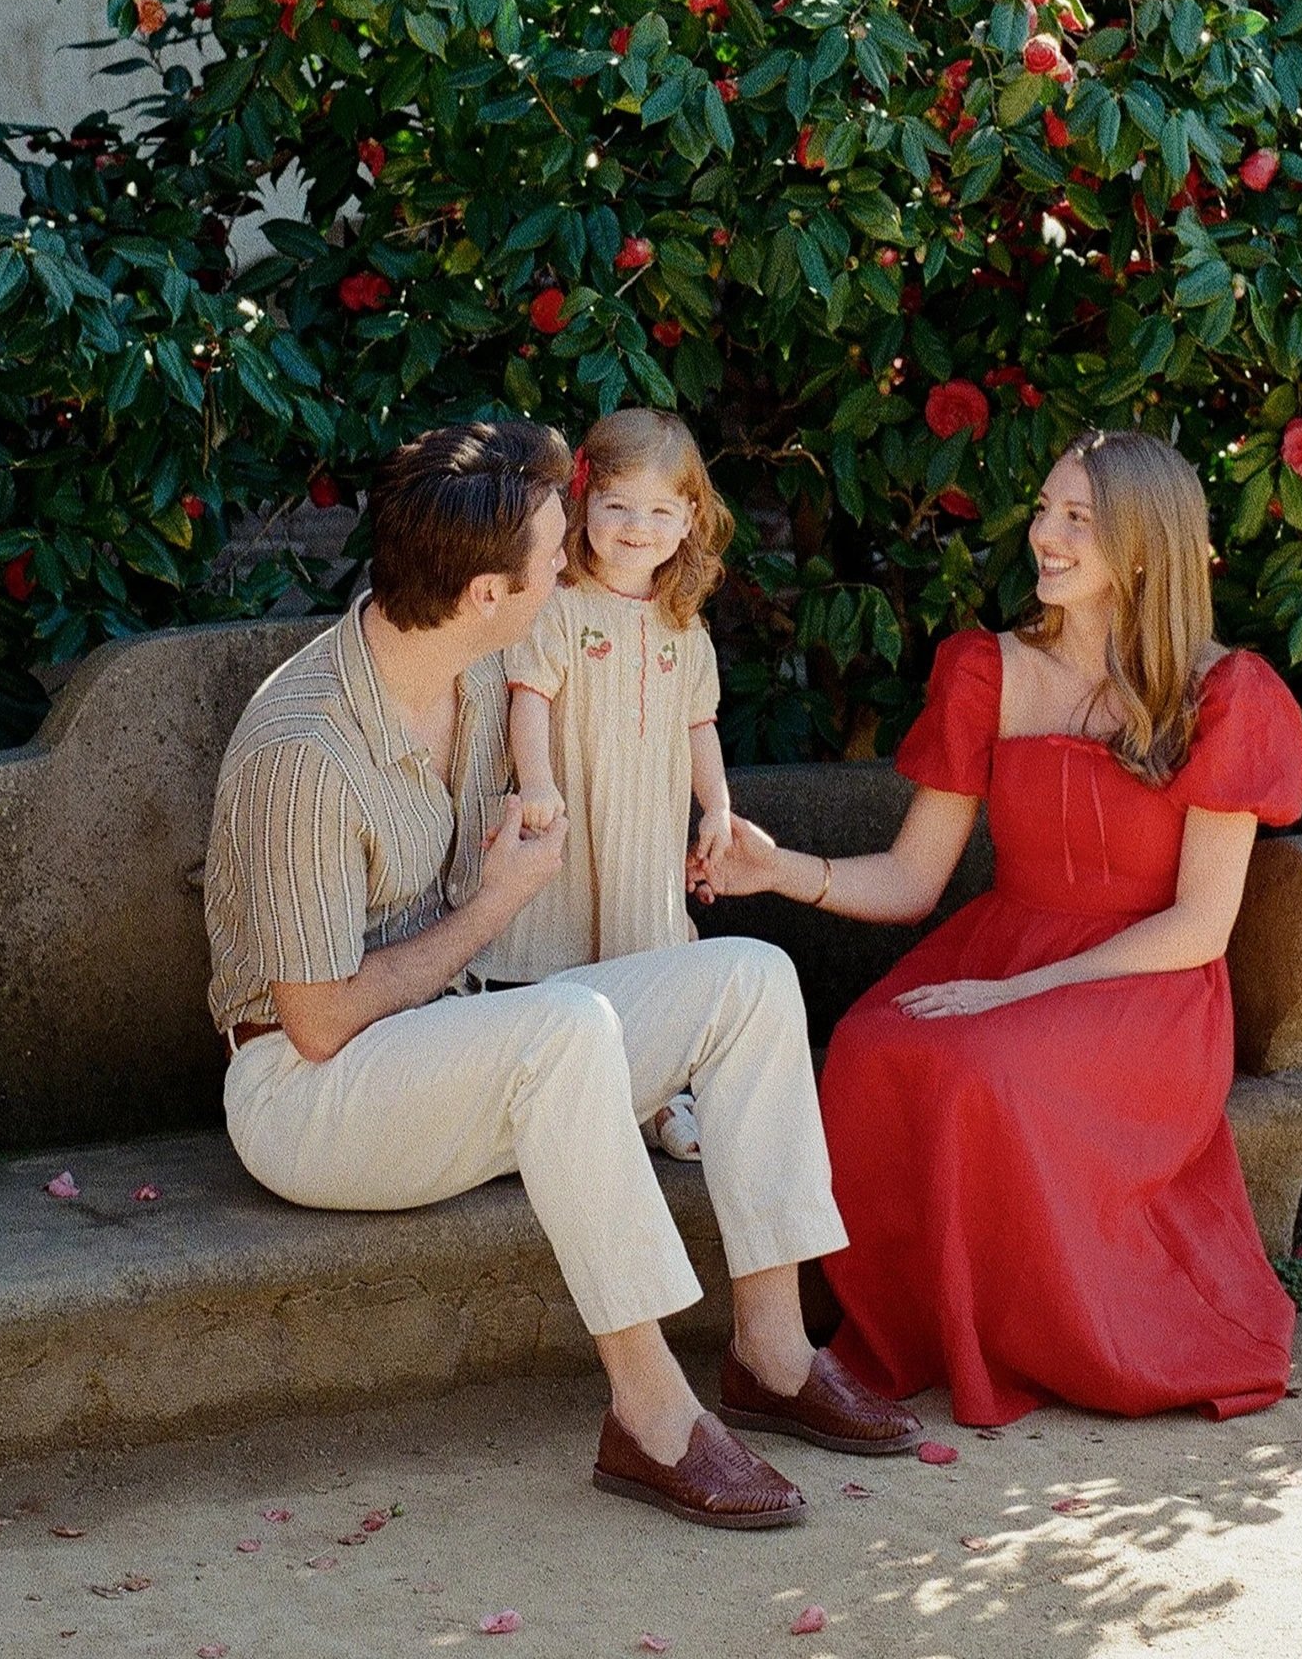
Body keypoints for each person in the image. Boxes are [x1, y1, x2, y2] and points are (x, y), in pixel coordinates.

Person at [200, 418, 920, 1529]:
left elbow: (641, 709)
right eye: (553, 558)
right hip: (310, 1094)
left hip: (461, 1042)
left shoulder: (479, 671)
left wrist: (716, 826)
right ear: (489, 592)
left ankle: (774, 1351)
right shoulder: (307, 750)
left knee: (749, 979)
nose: (571, 571)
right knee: (566, 1029)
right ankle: (651, 1415)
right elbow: (317, 1018)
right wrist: (496, 904)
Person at [702, 426, 1302, 1425]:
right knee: (870, 1046)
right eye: (1044, 511)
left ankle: (1044, 1338)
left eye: (1080, 519)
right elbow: (910, 877)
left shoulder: (1224, 693)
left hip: (1141, 986)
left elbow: (1201, 924)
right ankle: (920, 1333)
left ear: (1146, 545)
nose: (1047, 536)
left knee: (991, 1063)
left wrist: (1018, 994)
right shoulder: (987, 667)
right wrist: (781, 872)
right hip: (1005, 941)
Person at [485, 409, 737, 1162]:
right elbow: (527, 697)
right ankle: (573, 1100)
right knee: (568, 952)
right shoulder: (559, 609)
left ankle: (660, 1097)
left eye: (661, 510)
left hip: (645, 827)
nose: (637, 526)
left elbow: (700, 724)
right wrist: (536, 780)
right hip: (574, 811)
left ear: (691, 518)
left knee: (646, 950)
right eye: (618, 505)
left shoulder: (684, 626)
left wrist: (718, 806)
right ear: (583, 506)